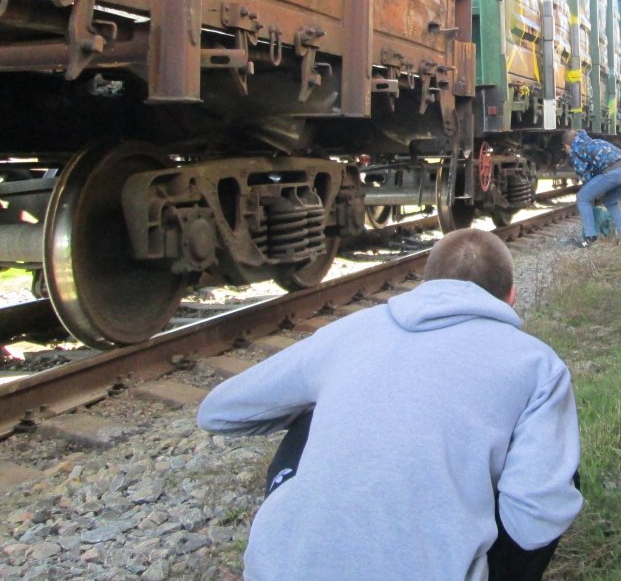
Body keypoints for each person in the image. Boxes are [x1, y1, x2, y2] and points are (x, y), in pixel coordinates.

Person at [196, 229, 583, 581]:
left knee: (308, 416)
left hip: (281, 572)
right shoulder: (538, 364)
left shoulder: (349, 332)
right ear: (510, 296)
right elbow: (536, 517)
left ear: (426, 283)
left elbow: (217, 412)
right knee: (558, 475)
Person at [563, 129, 621, 247]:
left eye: (565, 149)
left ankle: (590, 238)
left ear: (567, 146)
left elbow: (585, 176)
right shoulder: (595, 141)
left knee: (582, 197)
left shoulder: (576, 150)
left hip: (614, 173)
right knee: (610, 202)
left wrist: (593, 191)